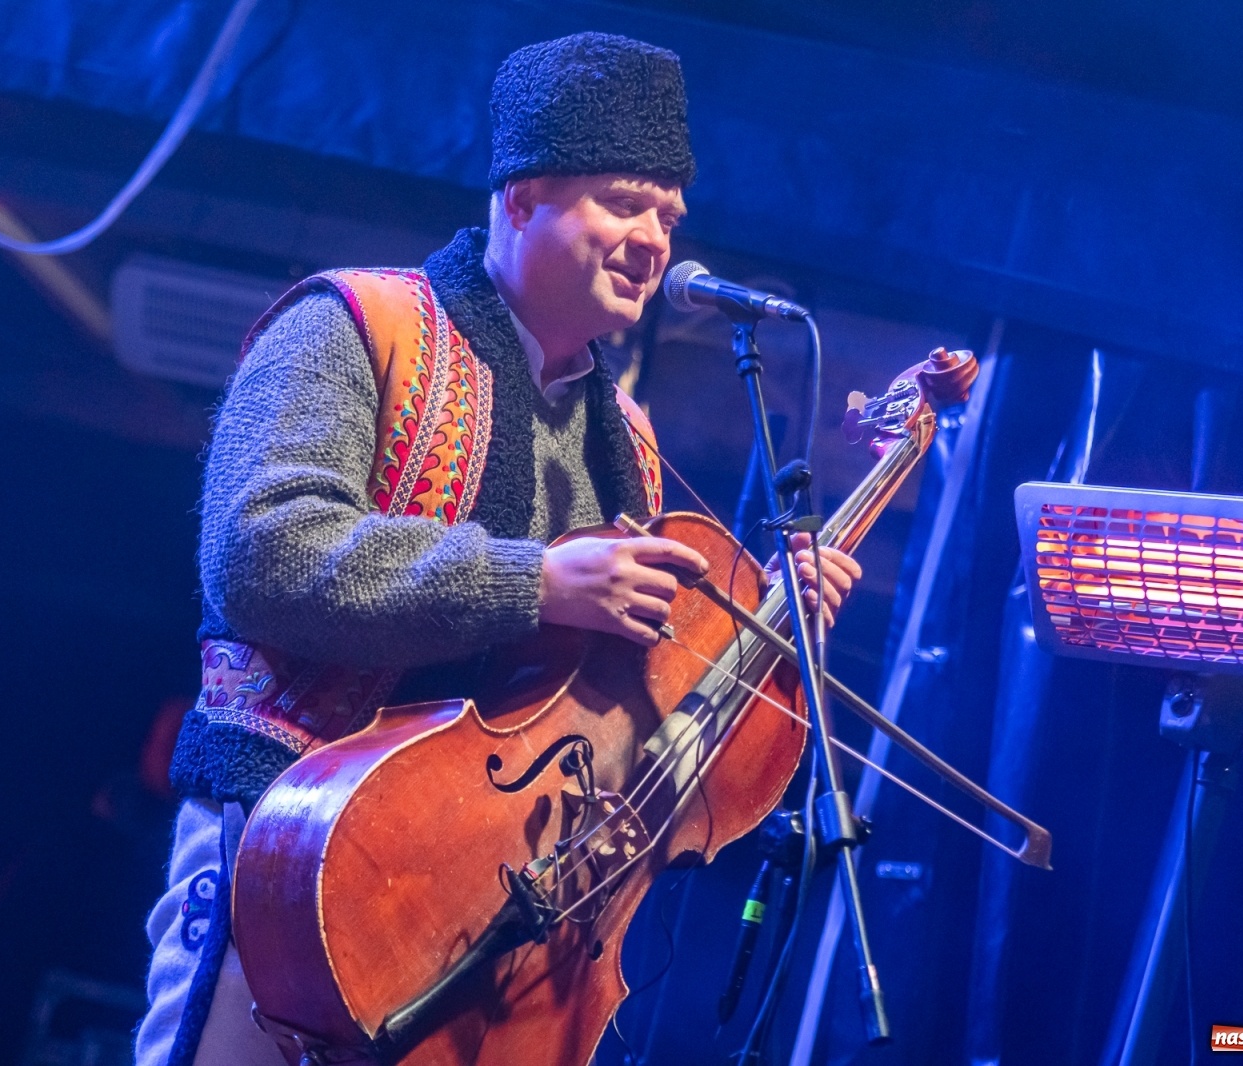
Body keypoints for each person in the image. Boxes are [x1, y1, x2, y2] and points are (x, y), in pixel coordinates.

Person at [134, 31, 861, 1066]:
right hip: (296, 842)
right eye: (624, 203)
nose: (654, 240)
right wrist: (538, 580)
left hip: (487, 908)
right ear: (520, 200)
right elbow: (261, 552)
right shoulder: (359, 324)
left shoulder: (630, 441)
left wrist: (762, 626)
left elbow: (608, 713)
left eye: (669, 216)